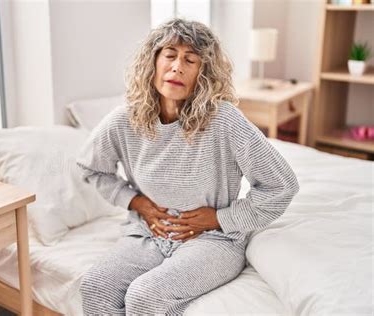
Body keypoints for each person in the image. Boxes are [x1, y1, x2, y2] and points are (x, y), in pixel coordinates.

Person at [76, 18, 299, 315]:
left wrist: (220, 218)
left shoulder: (224, 120)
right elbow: (91, 168)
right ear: (152, 62)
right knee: (95, 285)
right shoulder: (124, 120)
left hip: (214, 240)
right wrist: (136, 202)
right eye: (169, 55)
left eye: (190, 60)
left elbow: (282, 185)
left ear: (203, 74)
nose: (177, 67)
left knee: (146, 296)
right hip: (147, 234)